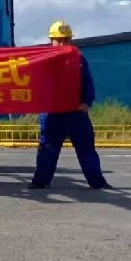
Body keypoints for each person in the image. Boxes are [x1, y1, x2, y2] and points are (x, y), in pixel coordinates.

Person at [30, 21, 113, 190]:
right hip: (52, 113)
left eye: (65, 40)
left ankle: (97, 182)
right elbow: (36, 84)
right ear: (51, 41)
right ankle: (40, 181)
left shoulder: (79, 60)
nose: (62, 44)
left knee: (86, 149)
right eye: (58, 40)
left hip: (76, 113)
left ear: (71, 40)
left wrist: (86, 102)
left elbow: (87, 83)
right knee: (47, 149)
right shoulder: (43, 61)